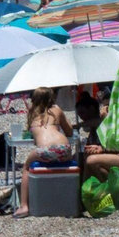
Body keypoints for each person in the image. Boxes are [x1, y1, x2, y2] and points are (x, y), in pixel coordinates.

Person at [13, 88, 73, 218]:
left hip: (46, 151)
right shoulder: (57, 110)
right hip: (64, 150)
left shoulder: (32, 114)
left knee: (26, 167)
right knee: (72, 161)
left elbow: (34, 136)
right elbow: (70, 132)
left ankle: (24, 206)